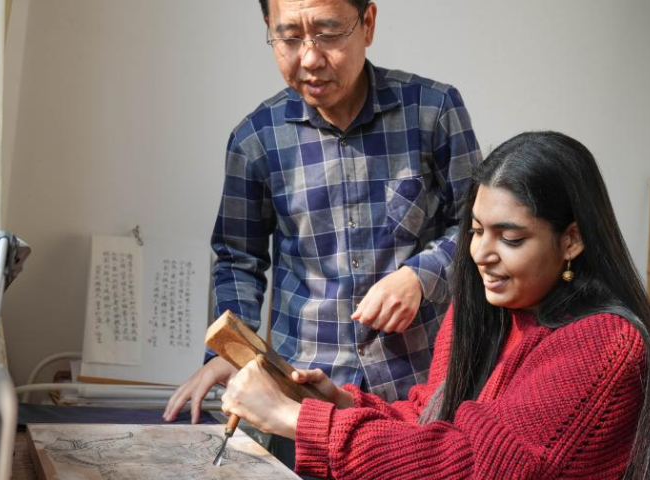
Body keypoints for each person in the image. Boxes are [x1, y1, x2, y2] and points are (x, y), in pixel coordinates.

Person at [220, 131, 650, 480]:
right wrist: (340, 404)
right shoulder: (485, 310)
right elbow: (430, 421)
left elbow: (473, 466)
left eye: (511, 237)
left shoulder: (604, 343)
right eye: (477, 231)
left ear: (572, 239)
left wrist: (298, 420)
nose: (481, 253)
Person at [164, 0, 480, 430]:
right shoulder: (256, 139)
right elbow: (239, 260)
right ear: (268, 29)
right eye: (289, 36)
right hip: (302, 397)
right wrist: (229, 350)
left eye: (329, 33)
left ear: (367, 24)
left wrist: (419, 277)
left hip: (417, 396)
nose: (309, 58)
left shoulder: (434, 111)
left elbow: (476, 226)